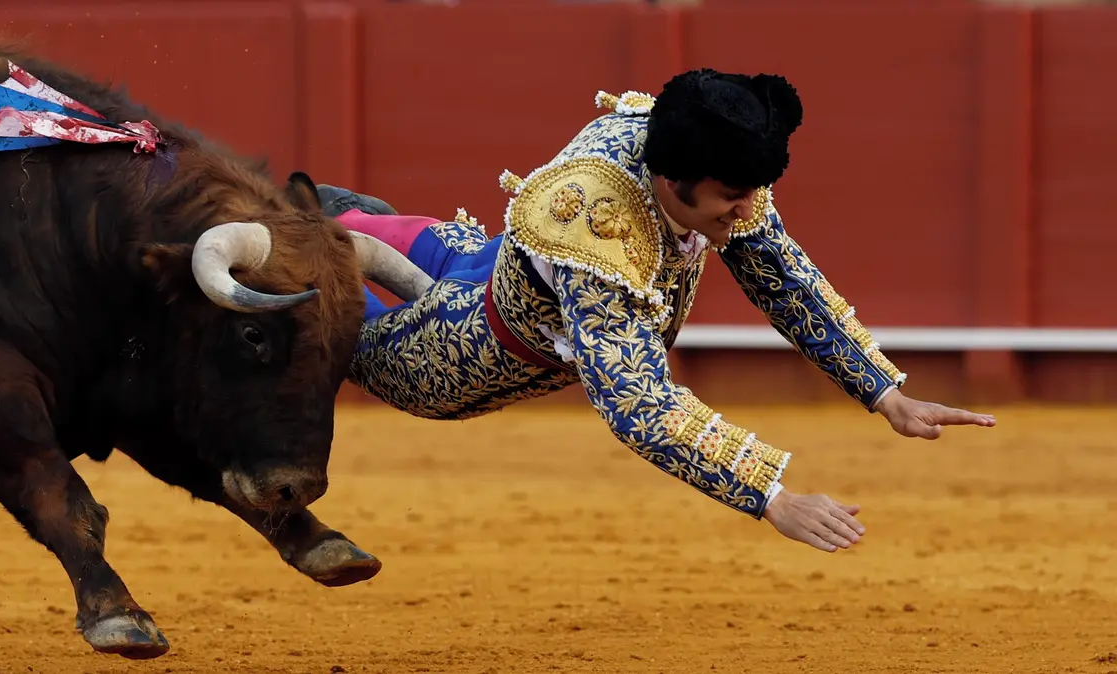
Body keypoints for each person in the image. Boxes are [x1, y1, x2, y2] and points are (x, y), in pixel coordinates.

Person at [286, 69, 996, 556]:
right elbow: (638, 403)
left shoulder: (707, 155)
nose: (747, 213)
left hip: (479, 262)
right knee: (289, 303)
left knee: (345, 219)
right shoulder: (599, 225)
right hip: (446, 356)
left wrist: (886, 394)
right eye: (730, 199)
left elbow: (782, 276)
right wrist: (771, 496)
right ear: (669, 181)